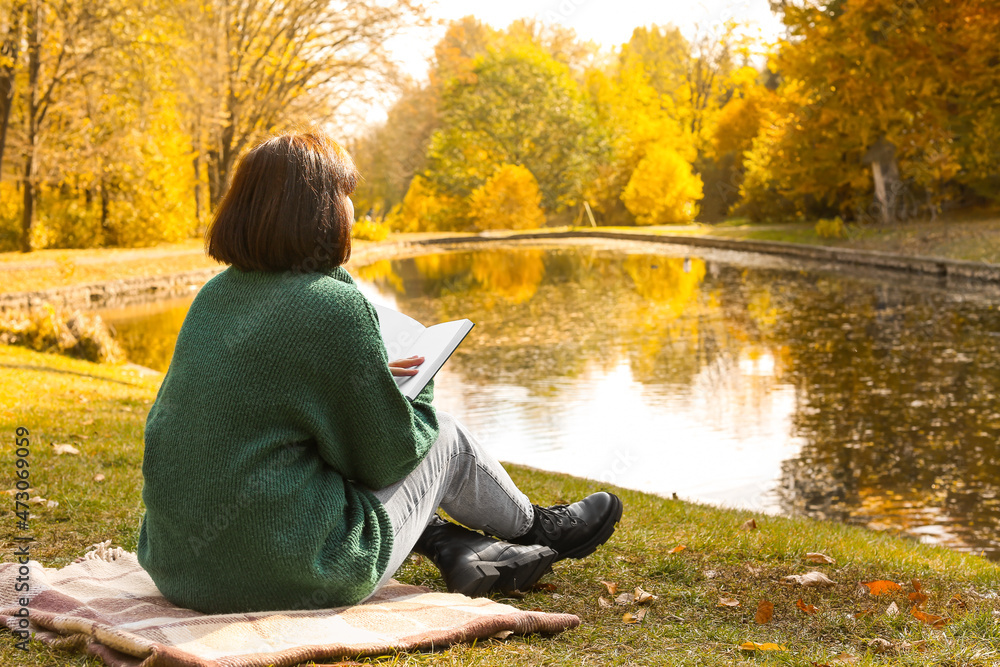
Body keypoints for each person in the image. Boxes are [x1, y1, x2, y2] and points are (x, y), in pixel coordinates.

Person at [137, 131, 623, 614]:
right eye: (345, 195)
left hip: (180, 569)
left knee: (317, 450)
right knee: (445, 438)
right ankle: (539, 528)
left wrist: (361, 378)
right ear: (319, 209)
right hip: (291, 573)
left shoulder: (213, 298)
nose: (351, 209)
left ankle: (456, 547)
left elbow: (258, 402)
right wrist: (419, 382)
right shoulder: (331, 306)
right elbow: (388, 458)